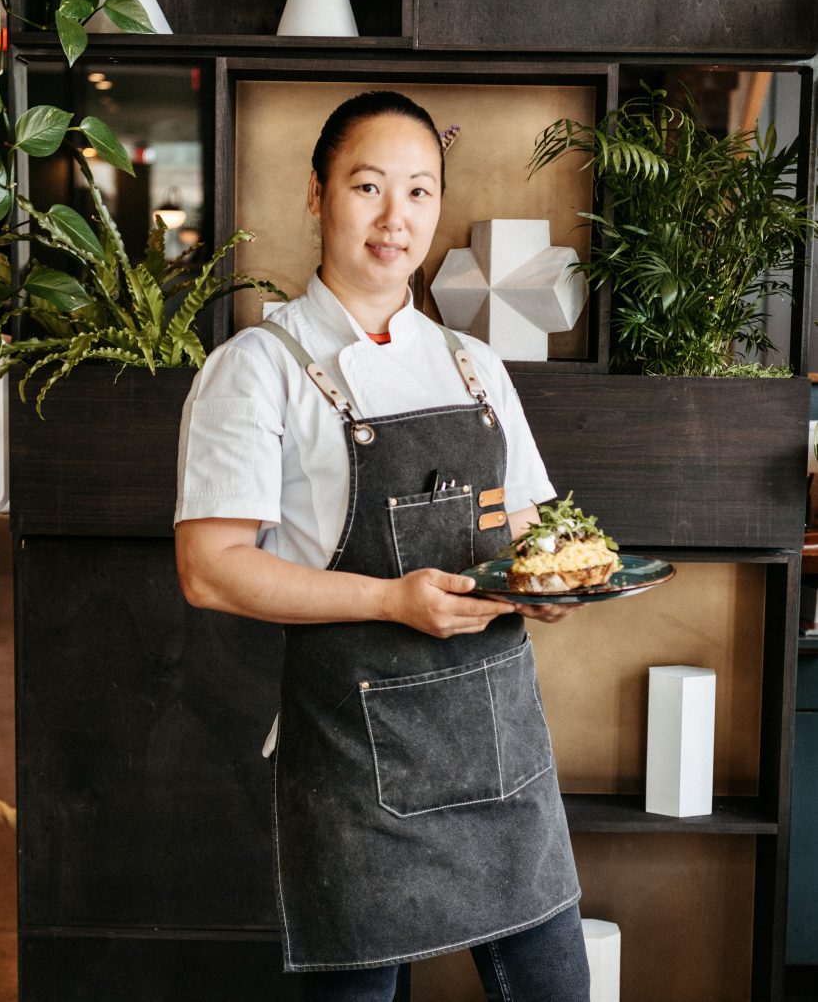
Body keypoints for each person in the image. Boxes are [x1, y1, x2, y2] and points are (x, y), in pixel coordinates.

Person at [174, 91, 591, 1002]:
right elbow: (209, 570)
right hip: (357, 767)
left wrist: (550, 585)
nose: (395, 218)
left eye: (419, 191)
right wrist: (389, 599)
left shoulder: (474, 365)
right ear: (318, 196)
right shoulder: (259, 368)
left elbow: (527, 526)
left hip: (500, 751)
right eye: (367, 186)